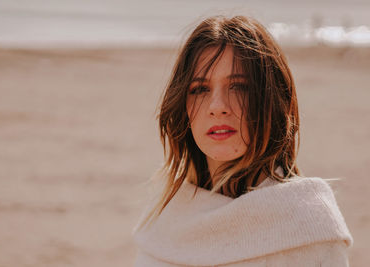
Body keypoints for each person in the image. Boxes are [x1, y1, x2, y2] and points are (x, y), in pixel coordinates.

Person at [132, 15, 353, 266]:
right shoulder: (162, 217)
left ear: (272, 102)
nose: (217, 107)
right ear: (183, 107)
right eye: (200, 89)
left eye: (239, 87)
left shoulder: (310, 224)